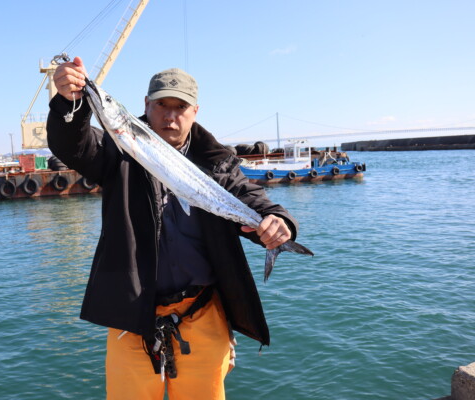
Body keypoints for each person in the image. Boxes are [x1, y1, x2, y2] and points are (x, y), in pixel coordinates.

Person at [46, 56, 300, 400]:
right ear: (146, 106)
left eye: (179, 107)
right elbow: (72, 145)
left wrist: (278, 222)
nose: (170, 116)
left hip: (204, 313)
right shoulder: (118, 150)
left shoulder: (217, 162)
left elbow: (251, 197)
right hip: (132, 317)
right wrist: (69, 102)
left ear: (196, 111)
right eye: (161, 105)